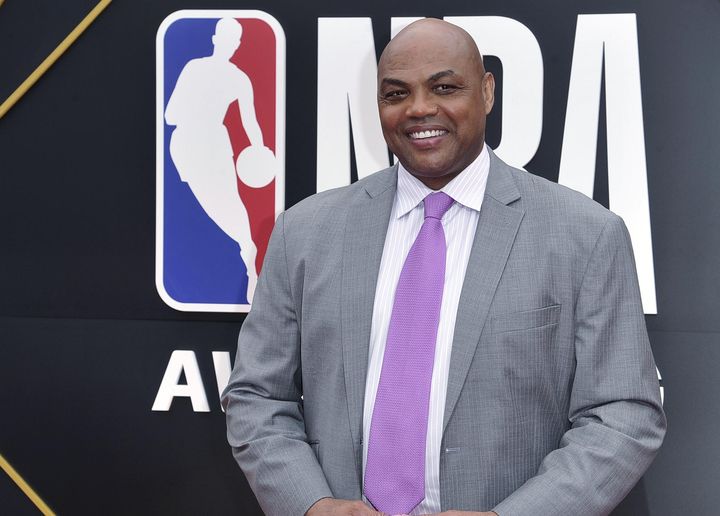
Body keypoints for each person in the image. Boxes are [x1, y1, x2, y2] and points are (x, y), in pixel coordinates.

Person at [223, 18, 665, 516]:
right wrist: (311, 505)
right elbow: (257, 394)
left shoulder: (585, 235)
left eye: (445, 87)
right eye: (395, 94)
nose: (419, 109)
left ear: (487, 92)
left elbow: (623, 414)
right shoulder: (304, 232)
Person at [165, 17, 269, 303]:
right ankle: (246, 250)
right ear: (221, 41)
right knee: (212, 205)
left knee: (227, 202)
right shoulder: (202, 70)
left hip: (208, 144)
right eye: (228, 39)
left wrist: (258, 150)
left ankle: (248, 255)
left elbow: (251, 123)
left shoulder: (234, 77)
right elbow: (169, 115)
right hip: (190, 145)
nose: (229, 44)